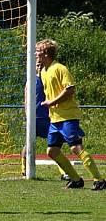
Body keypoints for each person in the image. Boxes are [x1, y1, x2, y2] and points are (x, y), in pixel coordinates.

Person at [37, 39, 105, 190]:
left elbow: (70, 90)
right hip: (55, 118)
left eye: (38, 51)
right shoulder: (43, 71)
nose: (36, 54)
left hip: (68, 116)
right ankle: (76, 180)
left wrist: (52, 102)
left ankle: (99, 180)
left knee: (75, 147)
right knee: (52, 151)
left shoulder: (60, 68)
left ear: (46, 53)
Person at [20, 60, 67, 178]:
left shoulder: (48, 78)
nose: (39, 67)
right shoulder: (30, 81)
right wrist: (27, 113)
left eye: (41, 65)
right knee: (28, 144)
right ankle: (24, 168)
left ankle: (64, 172)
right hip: (34, 117)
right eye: (37, 65)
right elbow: (26, 98)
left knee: (55, 144)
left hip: (47, 117)